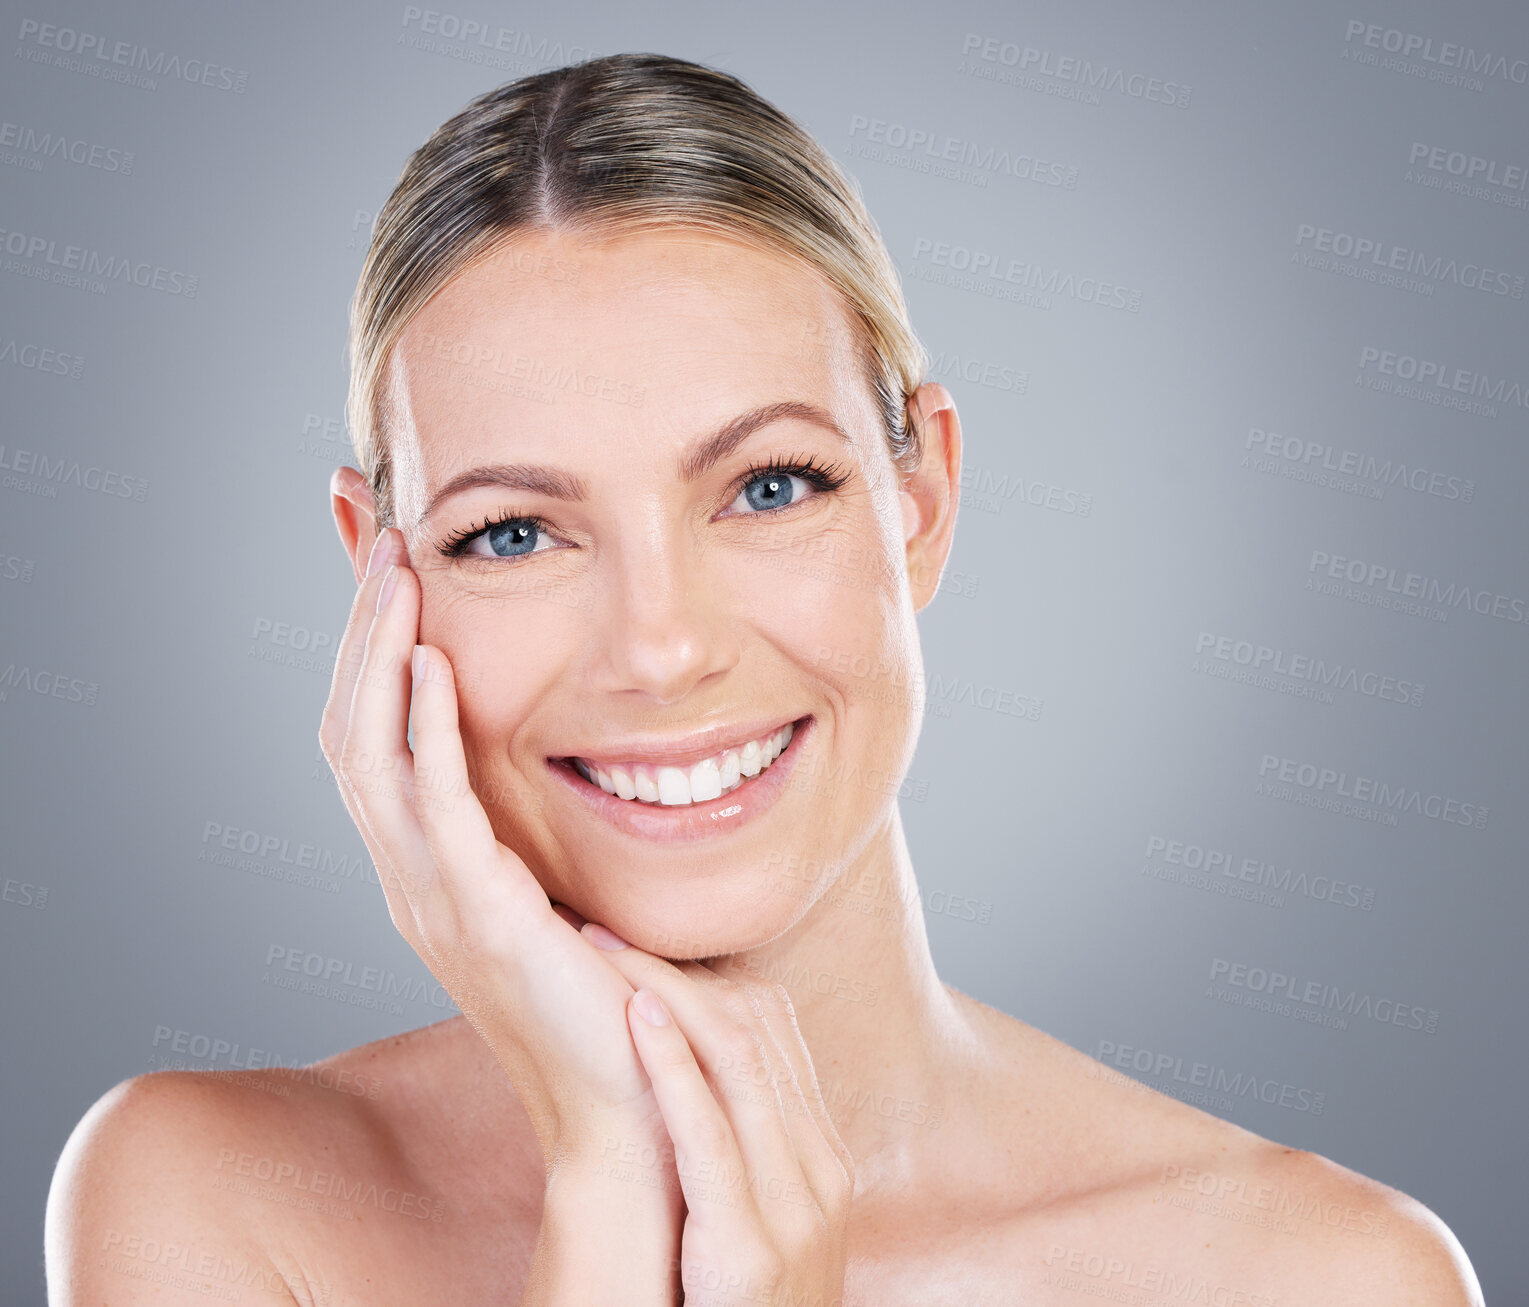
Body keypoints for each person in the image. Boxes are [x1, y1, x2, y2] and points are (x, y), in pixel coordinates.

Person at [46, 52, 1482, 1306]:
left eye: (769, 485)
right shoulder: (212, 1204)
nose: (662, 647)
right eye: (514, 533)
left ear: (920, 503)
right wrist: (610, 1178)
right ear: (380, 581)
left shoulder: (1316, 1278)